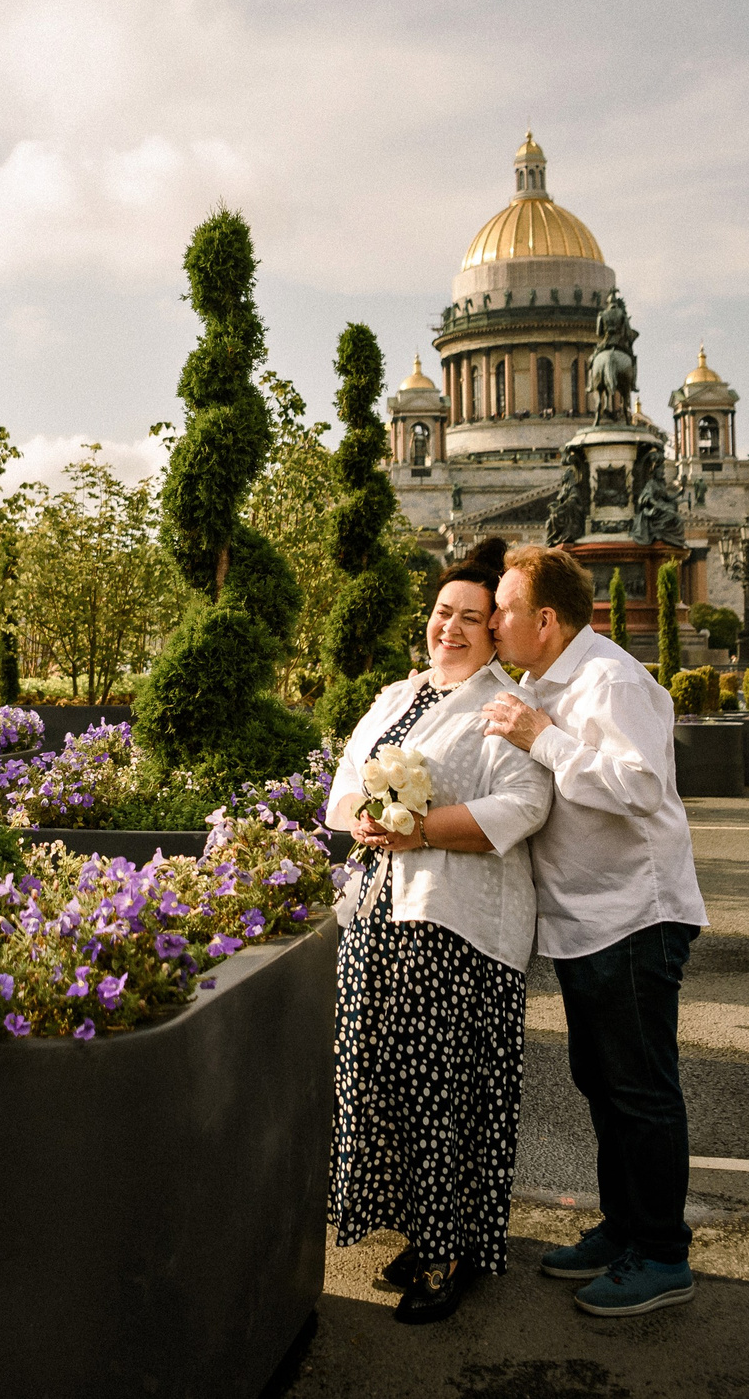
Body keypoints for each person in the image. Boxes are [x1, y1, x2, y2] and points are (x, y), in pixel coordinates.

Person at [327, 536, 554, 1326]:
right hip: (379, 917)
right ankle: (423, 1230)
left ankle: (447, 1251)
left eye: (469, 617)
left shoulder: (502, 705)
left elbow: (525, 806)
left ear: (495, 630)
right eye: (440, 613)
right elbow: (340, 791)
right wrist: (371, 815)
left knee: (443, 1092)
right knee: (383, 1081)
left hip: (456, 928)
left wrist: (423, 829)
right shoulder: (398, 696)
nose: (449, 629)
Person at [482, 544, 706, 1318]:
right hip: (587, 921)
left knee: (641, 1089)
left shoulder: (608, 677)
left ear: (545, 619)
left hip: (635, 916)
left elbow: (640, 784)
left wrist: (542, 737)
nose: (494, 620)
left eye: (504, 608)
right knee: (605, 1082)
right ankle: (625, 1229)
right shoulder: (544, 682)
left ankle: (663, 1253)